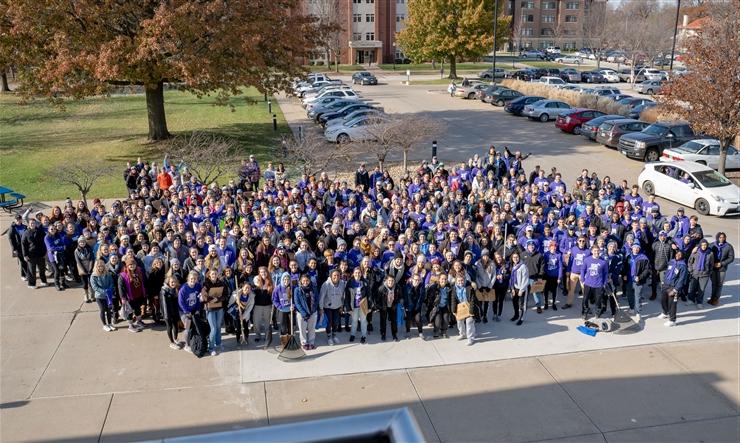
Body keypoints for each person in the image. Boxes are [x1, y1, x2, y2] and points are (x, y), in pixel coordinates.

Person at [118, 257, 147, 332]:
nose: (132, 266)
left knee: (138, 309)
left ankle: (138, 321)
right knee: (129, 312)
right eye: (130, 265)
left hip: (138, 295)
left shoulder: (139, 271)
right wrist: (123, 298)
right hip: (129, 297)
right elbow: (121, 288)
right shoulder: (123, 275)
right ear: (127, 266)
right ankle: (130, 325)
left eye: (133, 264)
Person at [203, 268, 227, 356]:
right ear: (209, 275)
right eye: (212, 274)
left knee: (218, 327)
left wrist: (217, 299)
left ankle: (218, 343)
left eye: (215, 274)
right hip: (210, 308)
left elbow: (225, 295)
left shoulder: (221, 283)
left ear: (218, 274)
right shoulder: (206, 284)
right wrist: (211, 299)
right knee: (213, 328)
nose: (214, 275)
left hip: (219, 307)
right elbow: (204, 296)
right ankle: (211, 347)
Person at [580, 245, 608, 320]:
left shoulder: (603, 262)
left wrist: (604, 283)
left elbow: (605, 273)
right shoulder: (587, 260)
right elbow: (583, 270)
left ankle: (597, 312)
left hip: (598, 284)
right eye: (595, 251)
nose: (596, 252)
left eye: (597, 251)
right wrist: (582, 280)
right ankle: (585, 312)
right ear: (592, 251)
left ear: (600, 251)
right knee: (585, 299)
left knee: (598, 300)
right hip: (588, 283)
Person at [661, 251, 688, 327]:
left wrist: (675, 289)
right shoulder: (671, 262)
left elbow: (681, 279)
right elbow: (667, 272)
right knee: (663, 300)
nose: (678, 255)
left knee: (672, 304)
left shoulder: (683, 266)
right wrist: (663, 281)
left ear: (682, 256)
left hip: (673, 287)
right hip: (666, 284)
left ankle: (672, 320)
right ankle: (665, 313)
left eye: (680, 254)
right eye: (677, 254)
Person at [178, 270, 203, 352]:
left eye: (195, 279)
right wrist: (186, 311)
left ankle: (193, 342)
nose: (193, 280)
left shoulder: (198, 286)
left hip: (194, 310)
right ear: (188, 278)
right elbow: (180, 302)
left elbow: (199, 298)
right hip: (184, 311)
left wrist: (198, 309)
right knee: (187, 327)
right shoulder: (184, 288)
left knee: (195, 326)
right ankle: (186, 345)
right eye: (191, 278)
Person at [319, 269, 345, 345]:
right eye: (334, 275)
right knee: (329, 323)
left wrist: (341, 306)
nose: (336, 277)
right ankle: (329, 337)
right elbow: (321, 297)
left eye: (338, 275)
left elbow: (343, 296)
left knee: (336, 322)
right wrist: (321, 308)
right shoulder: (326, 284)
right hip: (328, 307)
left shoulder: (342, 283)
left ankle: (334, 336)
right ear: (331, 276)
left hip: (337, 306)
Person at [90, 259, 116, 332]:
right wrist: (104, 291)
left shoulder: (108, 274)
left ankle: (110, 324)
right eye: (99, 266)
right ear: (96, 267)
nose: (101, 268)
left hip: (108, 295)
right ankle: (105, 325)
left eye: (102, 266)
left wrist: (110, 289)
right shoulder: (93, 276)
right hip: (99, 296)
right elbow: (95, 287)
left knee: (108, 310)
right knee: (102, 310)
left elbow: (111, 282)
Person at [687, 239, 714, 308]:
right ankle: (691, 300)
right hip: (695, 273)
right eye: (702, 245)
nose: (704, 246)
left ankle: (699, 302)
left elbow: (711, 264)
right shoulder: (695, 252)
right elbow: (690, 261)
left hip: (705, 274)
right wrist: (691, 270)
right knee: (692, 287)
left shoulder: (710, 253)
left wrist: (709, 272)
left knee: (701, 289)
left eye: (705, 245)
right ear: (700, 245)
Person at [21, 218, 48, 289]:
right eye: (31, 223)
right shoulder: (26, 233)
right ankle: (31, 284)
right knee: (31, 270)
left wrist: (45, 252)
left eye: (34, 223)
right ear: (29, 225)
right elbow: (23, 244)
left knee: (42, 269)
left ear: (36, 224)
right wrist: (25, 255)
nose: (32, 224)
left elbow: (45, 243)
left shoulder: (41, 231)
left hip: (41, 254)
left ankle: (44, 281)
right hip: (31, 255)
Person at [345, 267, 369, 343]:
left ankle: (363, 336)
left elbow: (369, 294)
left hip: (363, 305)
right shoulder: (350, 282)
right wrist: (348, 308)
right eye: (356, 273)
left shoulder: (365, 282)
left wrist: (370, 306)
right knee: (354, 321)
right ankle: (353, 335)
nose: (357, 274)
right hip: (353, 306)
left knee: (363, 321)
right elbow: (347, 296)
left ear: (361, 274)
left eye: (359, 273)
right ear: (353, 273)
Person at [294, 274, 319, 349]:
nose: (305, 282)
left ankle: (311, 342)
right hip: (302, 313)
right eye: (303, 280)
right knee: (302, 329)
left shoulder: (314, 288)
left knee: (311, 328)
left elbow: (316, 300)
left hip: (312, 312)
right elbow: (297, 303)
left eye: (307, 280)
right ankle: (304, 342)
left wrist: (313, 311)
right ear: (301, 281)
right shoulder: (297, 290)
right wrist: (304, 313)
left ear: (309, 280)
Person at [709, 232, 734, 306]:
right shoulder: (712, 245)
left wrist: (722, 263)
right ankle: (712, 298)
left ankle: (716, 299)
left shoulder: (728, 246)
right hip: (713, 268)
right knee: (714, 284)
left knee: (719, 284)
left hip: (722, 269)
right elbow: (708, 253)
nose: (722, 239)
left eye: (723, 237)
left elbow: (731, 258)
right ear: (717, 238)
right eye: (720, 237)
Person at [450, 274, 476, 345]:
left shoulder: (469, 288)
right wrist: (453, 310)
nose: (460, 282)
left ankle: (470, 338)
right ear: (456, 281)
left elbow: (472, 300)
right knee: (459, 321)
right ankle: (462, 334)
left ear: (464, 280)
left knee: (469, 322)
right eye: (458, 281)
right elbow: (453, 300)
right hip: (460, 307)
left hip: (469, 306)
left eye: (462, 280)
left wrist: (471, 311)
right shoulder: (454, 289)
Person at [160, 276, 183, 349]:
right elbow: (164, 304)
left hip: (174, 311)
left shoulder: (175, 290)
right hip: (167, 313)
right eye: (172, 282)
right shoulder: (164, 291)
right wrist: (167, 316)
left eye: (175, 282)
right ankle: (171, 342)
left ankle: (175, 339)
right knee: (169, 327)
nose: (173, 283)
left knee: (176, 326)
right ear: (168, 282)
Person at [377, 274, 401, 341]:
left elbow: (400, 296)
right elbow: (378, 299)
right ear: (386, 281)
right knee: (383, 321)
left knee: (393, 321)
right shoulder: (381, 288)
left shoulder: (397, 287)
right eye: (389, 280)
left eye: (392, 281)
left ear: (394, 281)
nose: (391, 282)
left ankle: (394, 334)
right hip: (384, 306)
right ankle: (383, 333)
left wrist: (397, 303)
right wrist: (380, 306)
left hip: (393, 306)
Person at [509, 252, 529, 323]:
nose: (515, 259)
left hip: (522, 288)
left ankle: (522, 318)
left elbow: (525, 279)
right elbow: (511, 278)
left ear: (519, 257)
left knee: (522, 304)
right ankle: (516, 315)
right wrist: (512, 288)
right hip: (515, 288)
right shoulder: (513, 266)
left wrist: (521, 290)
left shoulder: (523, 266)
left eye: (517, 257)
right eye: (514, 257)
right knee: (515, 302)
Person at [8, 213, 28, 282]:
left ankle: (26, 273)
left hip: (26, 247)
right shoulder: (12, 228)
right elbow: (11, 239)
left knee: (26, 261)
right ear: (15, 220)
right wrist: (14, 249)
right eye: (17, 219)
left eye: (20, 219)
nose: (19, 221)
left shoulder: (25, 227)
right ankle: (24, 275)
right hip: (18, 248)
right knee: (23, 262)